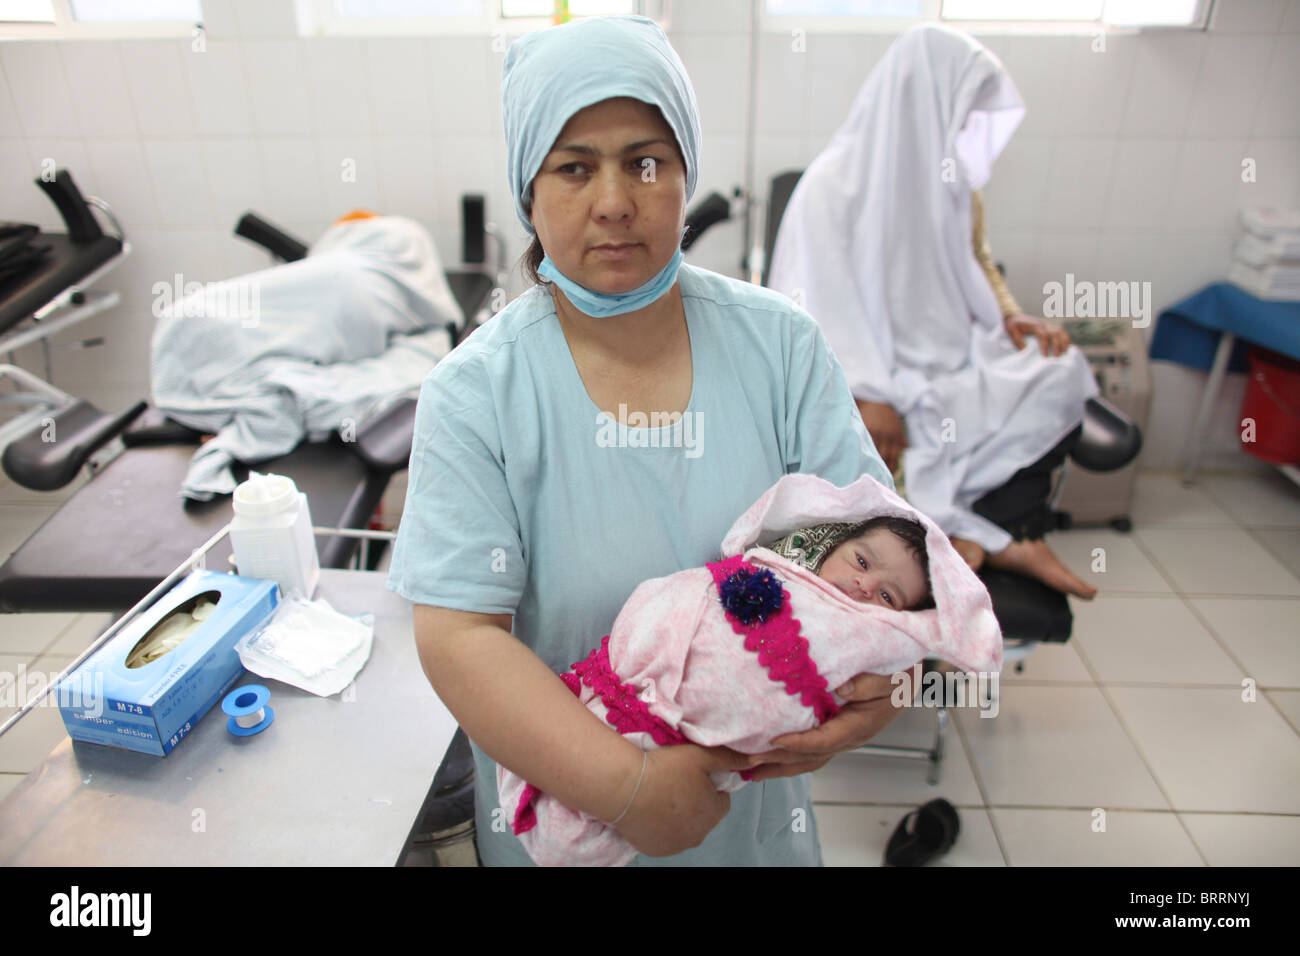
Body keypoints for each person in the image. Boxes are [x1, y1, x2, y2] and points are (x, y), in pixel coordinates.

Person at [386, 15, 903, 866]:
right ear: (528, 190)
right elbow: (461, 637)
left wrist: (887, 683)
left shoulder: (780, 348)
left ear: (685, 173)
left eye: (646, 162)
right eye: (574, 167)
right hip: (569, 829)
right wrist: (627, 789)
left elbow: (877, 552)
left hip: (751, 834)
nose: (615, 201)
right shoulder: (478, 393)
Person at [496, 472, 1003, 866]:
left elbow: (891, 523)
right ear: (829, 541)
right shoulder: (775, 564)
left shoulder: (800, 366)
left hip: (732, 797)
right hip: (564, 711)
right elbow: (464, 631)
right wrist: (620, 785)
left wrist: (898, 681)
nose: (865, 587)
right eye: (861, 563)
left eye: (888, 597)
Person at [767, 24, 1099, 600]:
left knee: (1060, 371)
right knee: (873, 437)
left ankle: (989, 535)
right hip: (862, 375)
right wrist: (869, 391)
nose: (966, 125)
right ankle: (986, 542)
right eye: (962, 109)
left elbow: (975, 263)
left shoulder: (954, 186)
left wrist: (1010, 316)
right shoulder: (830, 186)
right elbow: (807, 306)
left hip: (944, 359)